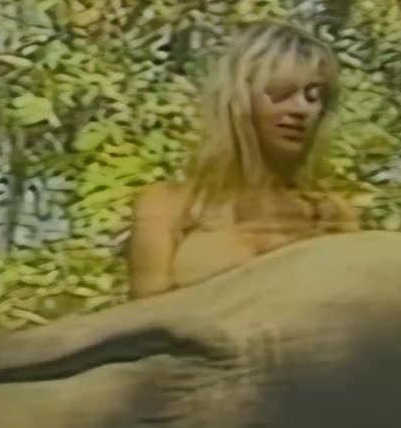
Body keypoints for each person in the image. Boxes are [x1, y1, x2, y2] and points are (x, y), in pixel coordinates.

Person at [127, 21, 363, 299]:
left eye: (314, 97)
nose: (301, 109)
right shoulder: (168, 207)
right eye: (281, 93)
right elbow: (145, 317)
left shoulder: (331, 214)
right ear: (239, 100)